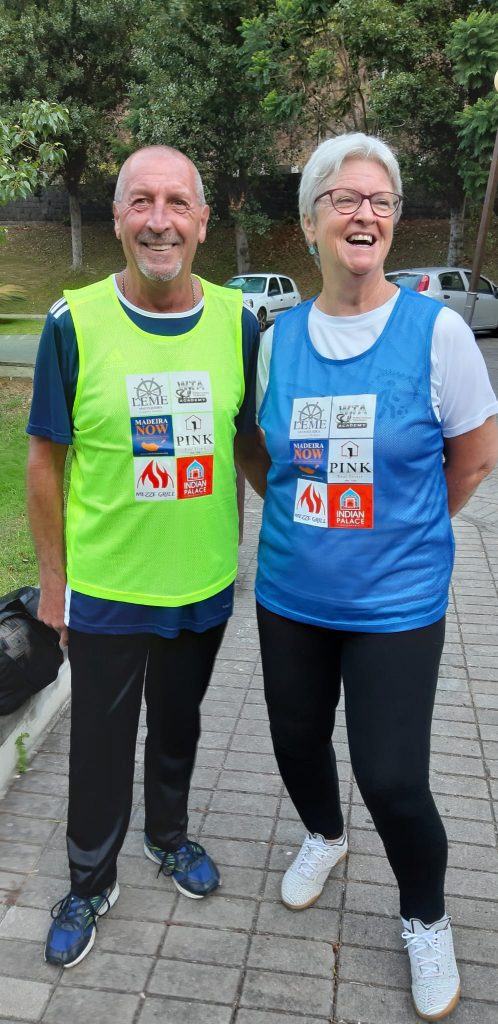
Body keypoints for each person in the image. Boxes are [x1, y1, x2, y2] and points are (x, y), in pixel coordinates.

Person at [254, 133, 498, 1021]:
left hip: (396, 603)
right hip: (289, 594)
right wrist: (296, 520)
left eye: (381, 201)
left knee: (393, 777)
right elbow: (265, 454)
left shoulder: (437, 334)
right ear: (311, 221)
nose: (365, 213)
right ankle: (324, 835)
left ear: (393, 222)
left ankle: (426, 918)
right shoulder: (276, 340)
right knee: (291, 740)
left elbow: (473, 458)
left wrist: (404, 531)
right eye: (344, 199)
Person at [26, 145, 263, 968]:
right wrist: (54, 582)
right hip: (106, 589)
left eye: (175, 203)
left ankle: (169, 837)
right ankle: (90, 881)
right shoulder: (73, 323)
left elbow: (248, 442)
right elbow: (44, 461)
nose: (158, 219)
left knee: (180, 730)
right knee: (98, 747)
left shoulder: (240, 321)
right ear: (119, 218)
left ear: (203, 221)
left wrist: (313, 518)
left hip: (202, 585)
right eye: (140, 202)